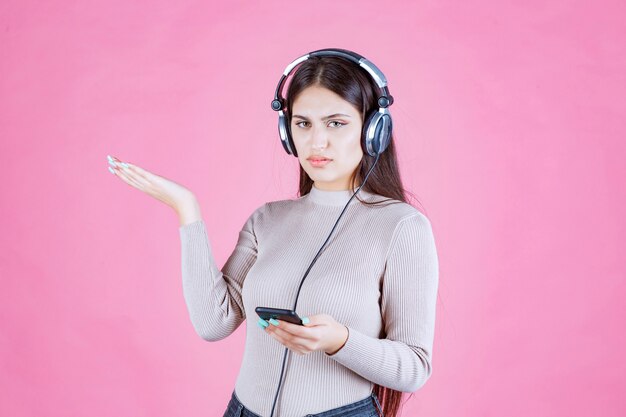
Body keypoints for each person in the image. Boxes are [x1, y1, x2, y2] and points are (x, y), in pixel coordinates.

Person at [106, 50, 439, 417]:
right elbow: (214, 322)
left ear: (374, 130)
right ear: (286, 131)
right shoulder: (267, 219)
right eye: (303, 123)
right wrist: (186, 209)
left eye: (336, 123)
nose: (316, 143)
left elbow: (414, 366)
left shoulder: (401, 227)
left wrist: (339, 341)